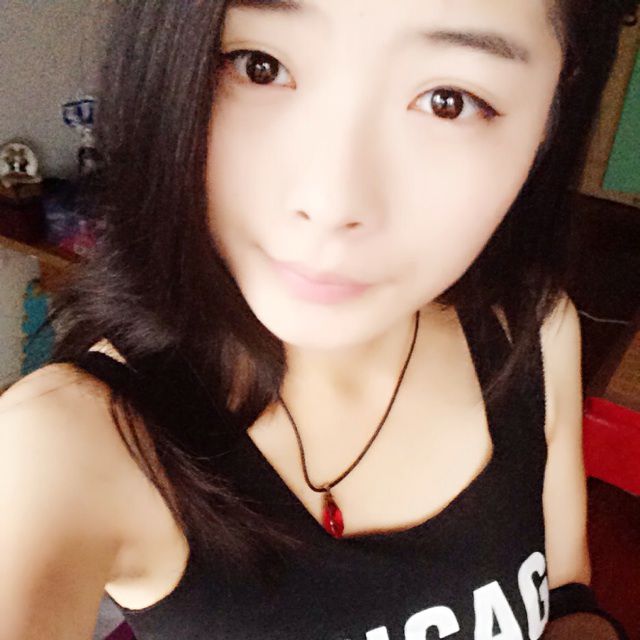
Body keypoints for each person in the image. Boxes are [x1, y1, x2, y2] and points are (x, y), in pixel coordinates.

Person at [1, 1, 637, 638]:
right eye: (260, 66)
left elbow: (563, 595)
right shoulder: (63, 447)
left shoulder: (532, 332)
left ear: (552, 113)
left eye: (449, 101)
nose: (331, 201)